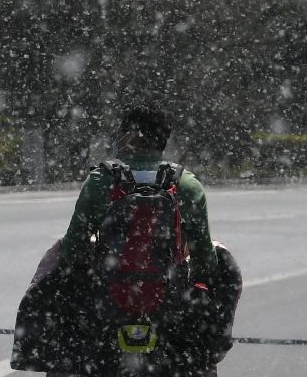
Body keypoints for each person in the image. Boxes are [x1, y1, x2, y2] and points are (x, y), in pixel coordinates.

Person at [59, 105, 220, 287]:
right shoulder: (187, 185)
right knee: (222, 255)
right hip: (170, 303)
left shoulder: (100, 181)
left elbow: (72, 249)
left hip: (107, 301)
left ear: (130, 136)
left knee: (56, 250)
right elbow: (206, 261)